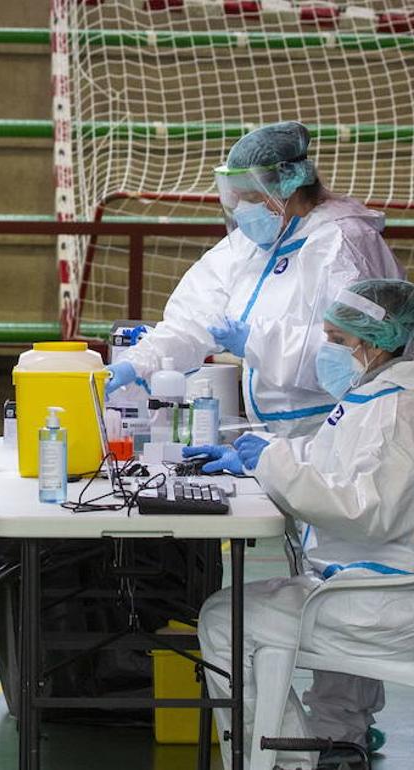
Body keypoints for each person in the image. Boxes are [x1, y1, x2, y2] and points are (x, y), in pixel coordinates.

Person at [188, 279, 414, 769]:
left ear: (374, 342)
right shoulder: (379, 394)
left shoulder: (398, 407)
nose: (326, 351)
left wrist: (272, 464)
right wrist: (256, 459)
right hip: (375, 585)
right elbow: (336, 462)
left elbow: (366, 511)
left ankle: (288, 761)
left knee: (222, 621)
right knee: (258, 606)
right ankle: (318, 746)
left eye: (337, 340)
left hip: (383, 601)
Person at [106, 121, 402, 438]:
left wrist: (257, 340)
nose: (242, 209)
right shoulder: (248, 248)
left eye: (251, 197)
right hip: (272, 434)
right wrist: (136, 365)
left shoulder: (343, 243)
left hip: (340, 429)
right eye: (236, 199)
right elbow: (192, 320)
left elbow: (361, 353)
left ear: (289, 185)